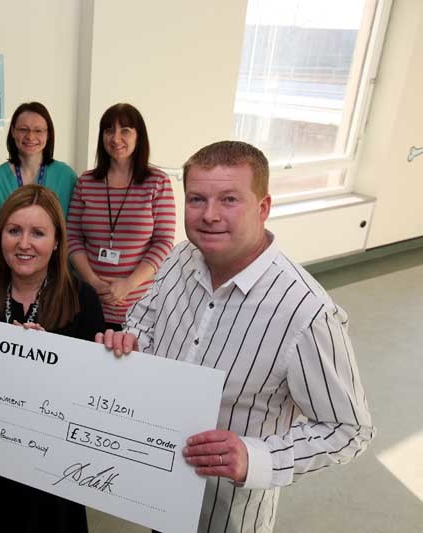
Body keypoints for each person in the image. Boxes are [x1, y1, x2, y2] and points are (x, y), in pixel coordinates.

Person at [99, 141, 375, 533]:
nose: (209, 215)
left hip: (227, 512)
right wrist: (131, 344)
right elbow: (143, 321)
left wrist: (255, 457)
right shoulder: (179, 259)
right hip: (158, 485)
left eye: (229, 199)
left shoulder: (305, 313)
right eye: (196, 199)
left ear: (263, 208)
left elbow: (349, 430)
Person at [0, 184, 105, 533]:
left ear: (56, 242)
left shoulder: (83, 300)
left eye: (37, 233)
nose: (24, 243)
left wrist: (52, 364)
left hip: (55, 475)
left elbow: (96, 397)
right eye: (14, 230)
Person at [67, 103, 176, 330]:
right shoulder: (86, 182)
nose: (116, 138)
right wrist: (94, 282)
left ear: (139, 136)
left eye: (125, 130)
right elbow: (72, 237)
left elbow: (164, 241)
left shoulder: (157, 182)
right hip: (88, 300)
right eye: (109, 131)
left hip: (139, 304)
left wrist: (128, 284)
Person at [0, 102, 77, 230]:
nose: (30, 137)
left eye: (38, 130)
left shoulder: (66, 177)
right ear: (13, 131)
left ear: (48, 134)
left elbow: (76, 229)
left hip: (56, 250)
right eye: (23, 130)